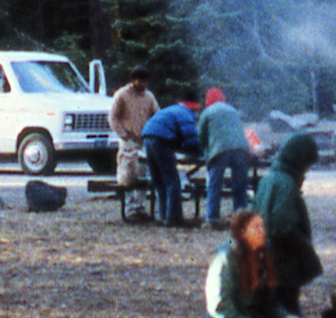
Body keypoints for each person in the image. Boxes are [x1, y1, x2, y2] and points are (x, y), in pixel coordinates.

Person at [254, 132, 322, 315]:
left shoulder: (269, 179)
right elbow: (282, 227)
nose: (307, 170)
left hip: (266, 263)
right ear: (300, 160)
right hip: (281, 266)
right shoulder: (285, 184)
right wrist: (306, 250)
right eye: (307, 164)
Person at [142, 88, 203, 225]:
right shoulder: (186, 114)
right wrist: (202, 153)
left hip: (147, 137)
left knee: (159, 181)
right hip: (161, 140)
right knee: (172, 181)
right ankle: (174, 218)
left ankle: (163, 216)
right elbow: (191, 140)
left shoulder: (173, 110)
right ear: (193, 106)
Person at [198, 87, 254, 226]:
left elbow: (201, 137)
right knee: (240, 184)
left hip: (219, 149)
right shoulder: (232, 110)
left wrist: (205, 153)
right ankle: (241, 218)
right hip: (242, 148)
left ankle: (212, 218)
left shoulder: (207, 112)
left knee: (215, 184)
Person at [108, 65, 159, 188]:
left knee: (142, 174)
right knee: (126, 176)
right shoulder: (122, 95)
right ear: (133, 80)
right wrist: (124, 134)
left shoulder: (149, 96)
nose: (142, 84)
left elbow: (157, 115)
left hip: (143, 140)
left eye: (144, 81)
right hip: (128, 141)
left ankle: (139, 206)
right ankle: (128, 204)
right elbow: (113, 117)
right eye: (140, 81)